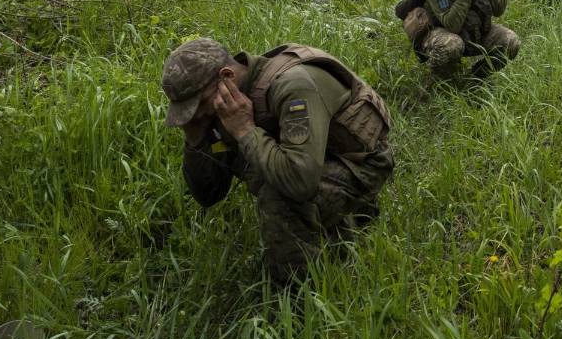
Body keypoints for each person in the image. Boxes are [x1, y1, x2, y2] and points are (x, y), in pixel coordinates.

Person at [161, 38, 394, 284]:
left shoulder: (293, 85)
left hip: (360, 163)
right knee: (264, 171)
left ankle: (299, 298)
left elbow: (300, 183)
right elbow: (209, 195)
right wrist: (195, 136)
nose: (197, 113)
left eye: (199, 105)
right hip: (312, 160)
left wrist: (245, 130)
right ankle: (344, 222)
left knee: (279, 197)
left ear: (227, 76)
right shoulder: (226, 103)